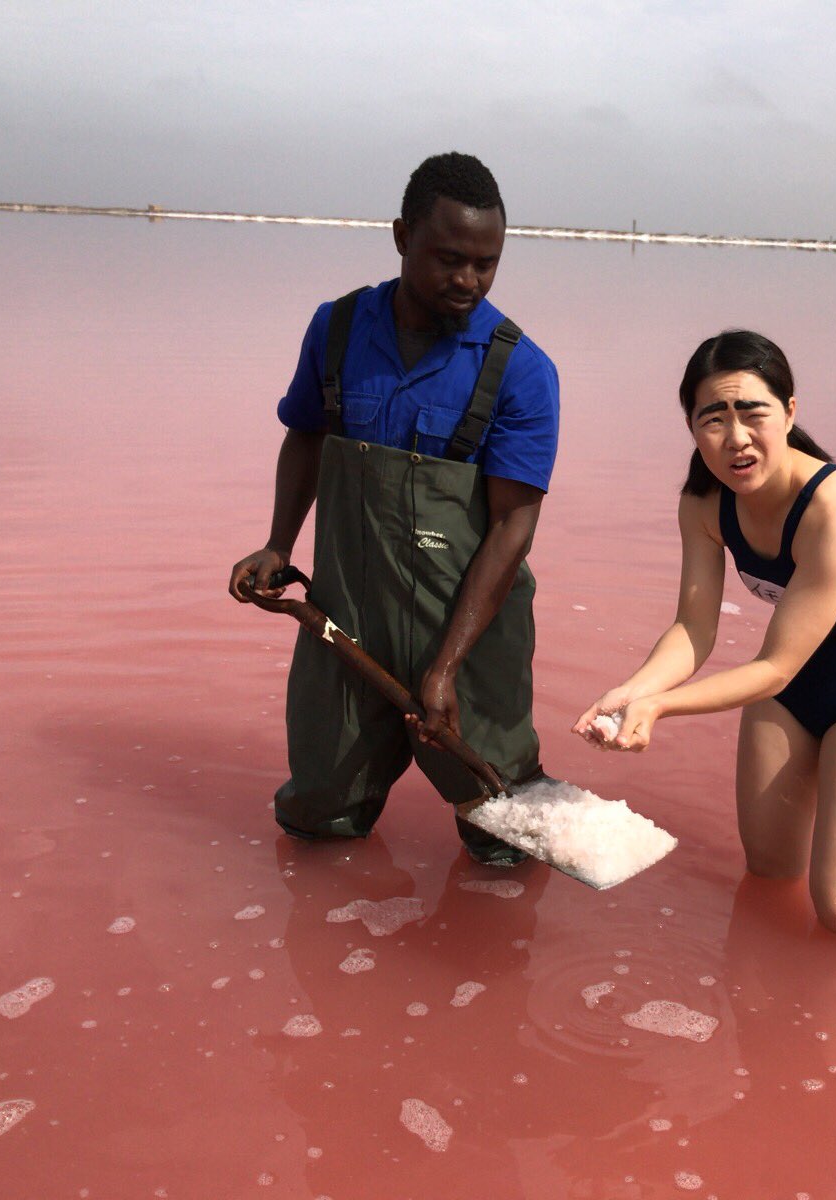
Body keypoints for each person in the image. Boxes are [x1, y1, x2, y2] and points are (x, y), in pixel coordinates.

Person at [229, 153, 559, 866]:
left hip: (467, 633)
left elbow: (513, 527)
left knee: (506, 837)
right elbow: (306, 435)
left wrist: (445, 666)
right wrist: (279, 545)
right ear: (402, 236)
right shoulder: (338, 328)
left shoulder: (522, 370)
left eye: (486, 264)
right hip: (344, 619)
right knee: (318, 823)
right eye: (449, 259)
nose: (468, 281)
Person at [575, 330, 836, 935]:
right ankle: (770, 988)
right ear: (692, 428)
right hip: (788, 689)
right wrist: (633, 691)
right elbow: (693, 627)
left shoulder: (835, 513)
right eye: (713, 419)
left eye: (753, 413)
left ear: (789, 411)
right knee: (767, 871)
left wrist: (660, 706)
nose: (736, 437)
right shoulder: (704, 504)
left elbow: (775, 667)